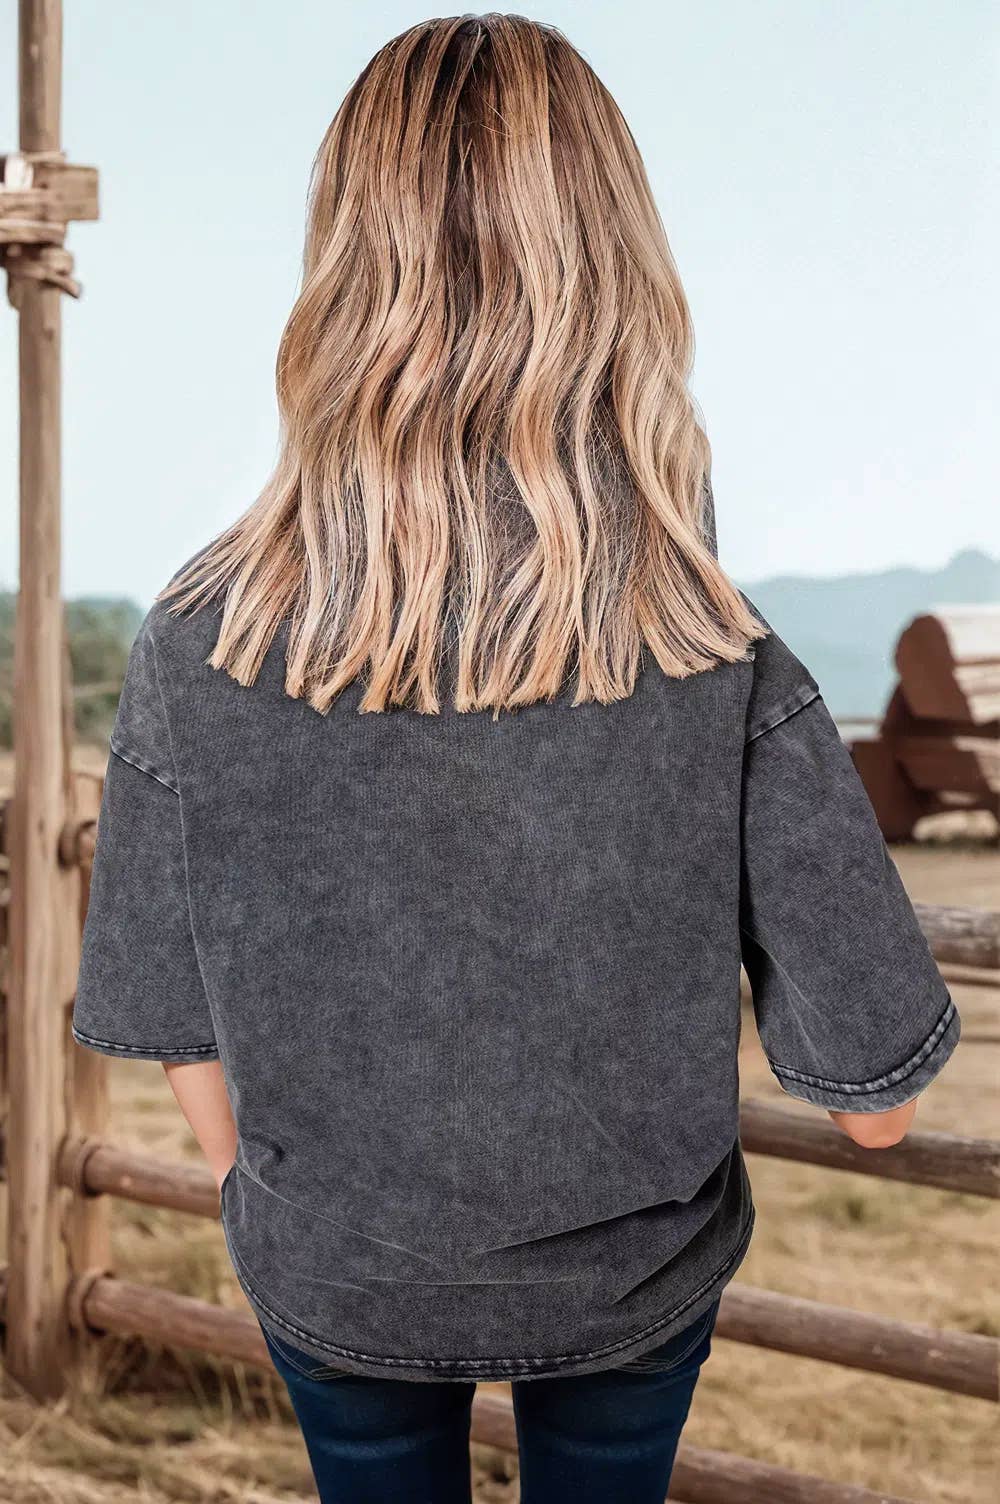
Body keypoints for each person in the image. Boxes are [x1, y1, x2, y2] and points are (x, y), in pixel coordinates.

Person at [72, 15, 959, 1503]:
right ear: (617, 268)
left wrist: (284, 1204)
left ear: (341, 267)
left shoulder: (196, 638)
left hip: (332, 1277)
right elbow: (877, 1100)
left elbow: (173, 1021)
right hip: (632, 1287)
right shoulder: (711, 645)